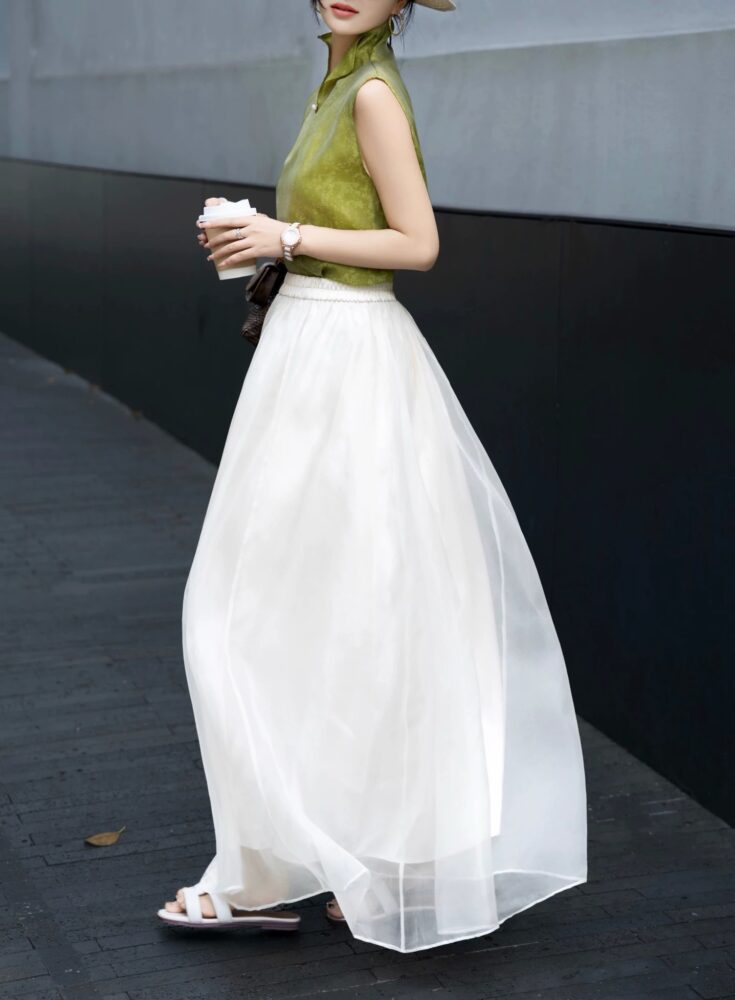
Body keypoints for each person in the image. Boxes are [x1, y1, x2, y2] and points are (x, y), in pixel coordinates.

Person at [158, 0, 587, 954]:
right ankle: (342, 863)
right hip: (312, 354)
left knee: (266, 607)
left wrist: (285, 237)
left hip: (346, 363)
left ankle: (281, 871)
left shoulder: (373, 93)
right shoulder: (337, 81)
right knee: (326, 608)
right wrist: (265, 240)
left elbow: (417, 243)